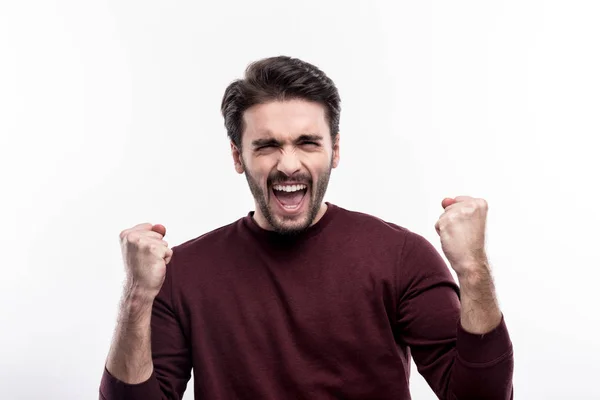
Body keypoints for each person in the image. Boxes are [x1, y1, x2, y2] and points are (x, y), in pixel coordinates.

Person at [99, 56, 513, 400]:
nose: (289, 164)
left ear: (335, 150)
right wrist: (138, 295)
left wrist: (473, 270)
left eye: (307, 142)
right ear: (237, 156)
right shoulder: (184, 271)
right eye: (267, 145)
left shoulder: (402, 257)